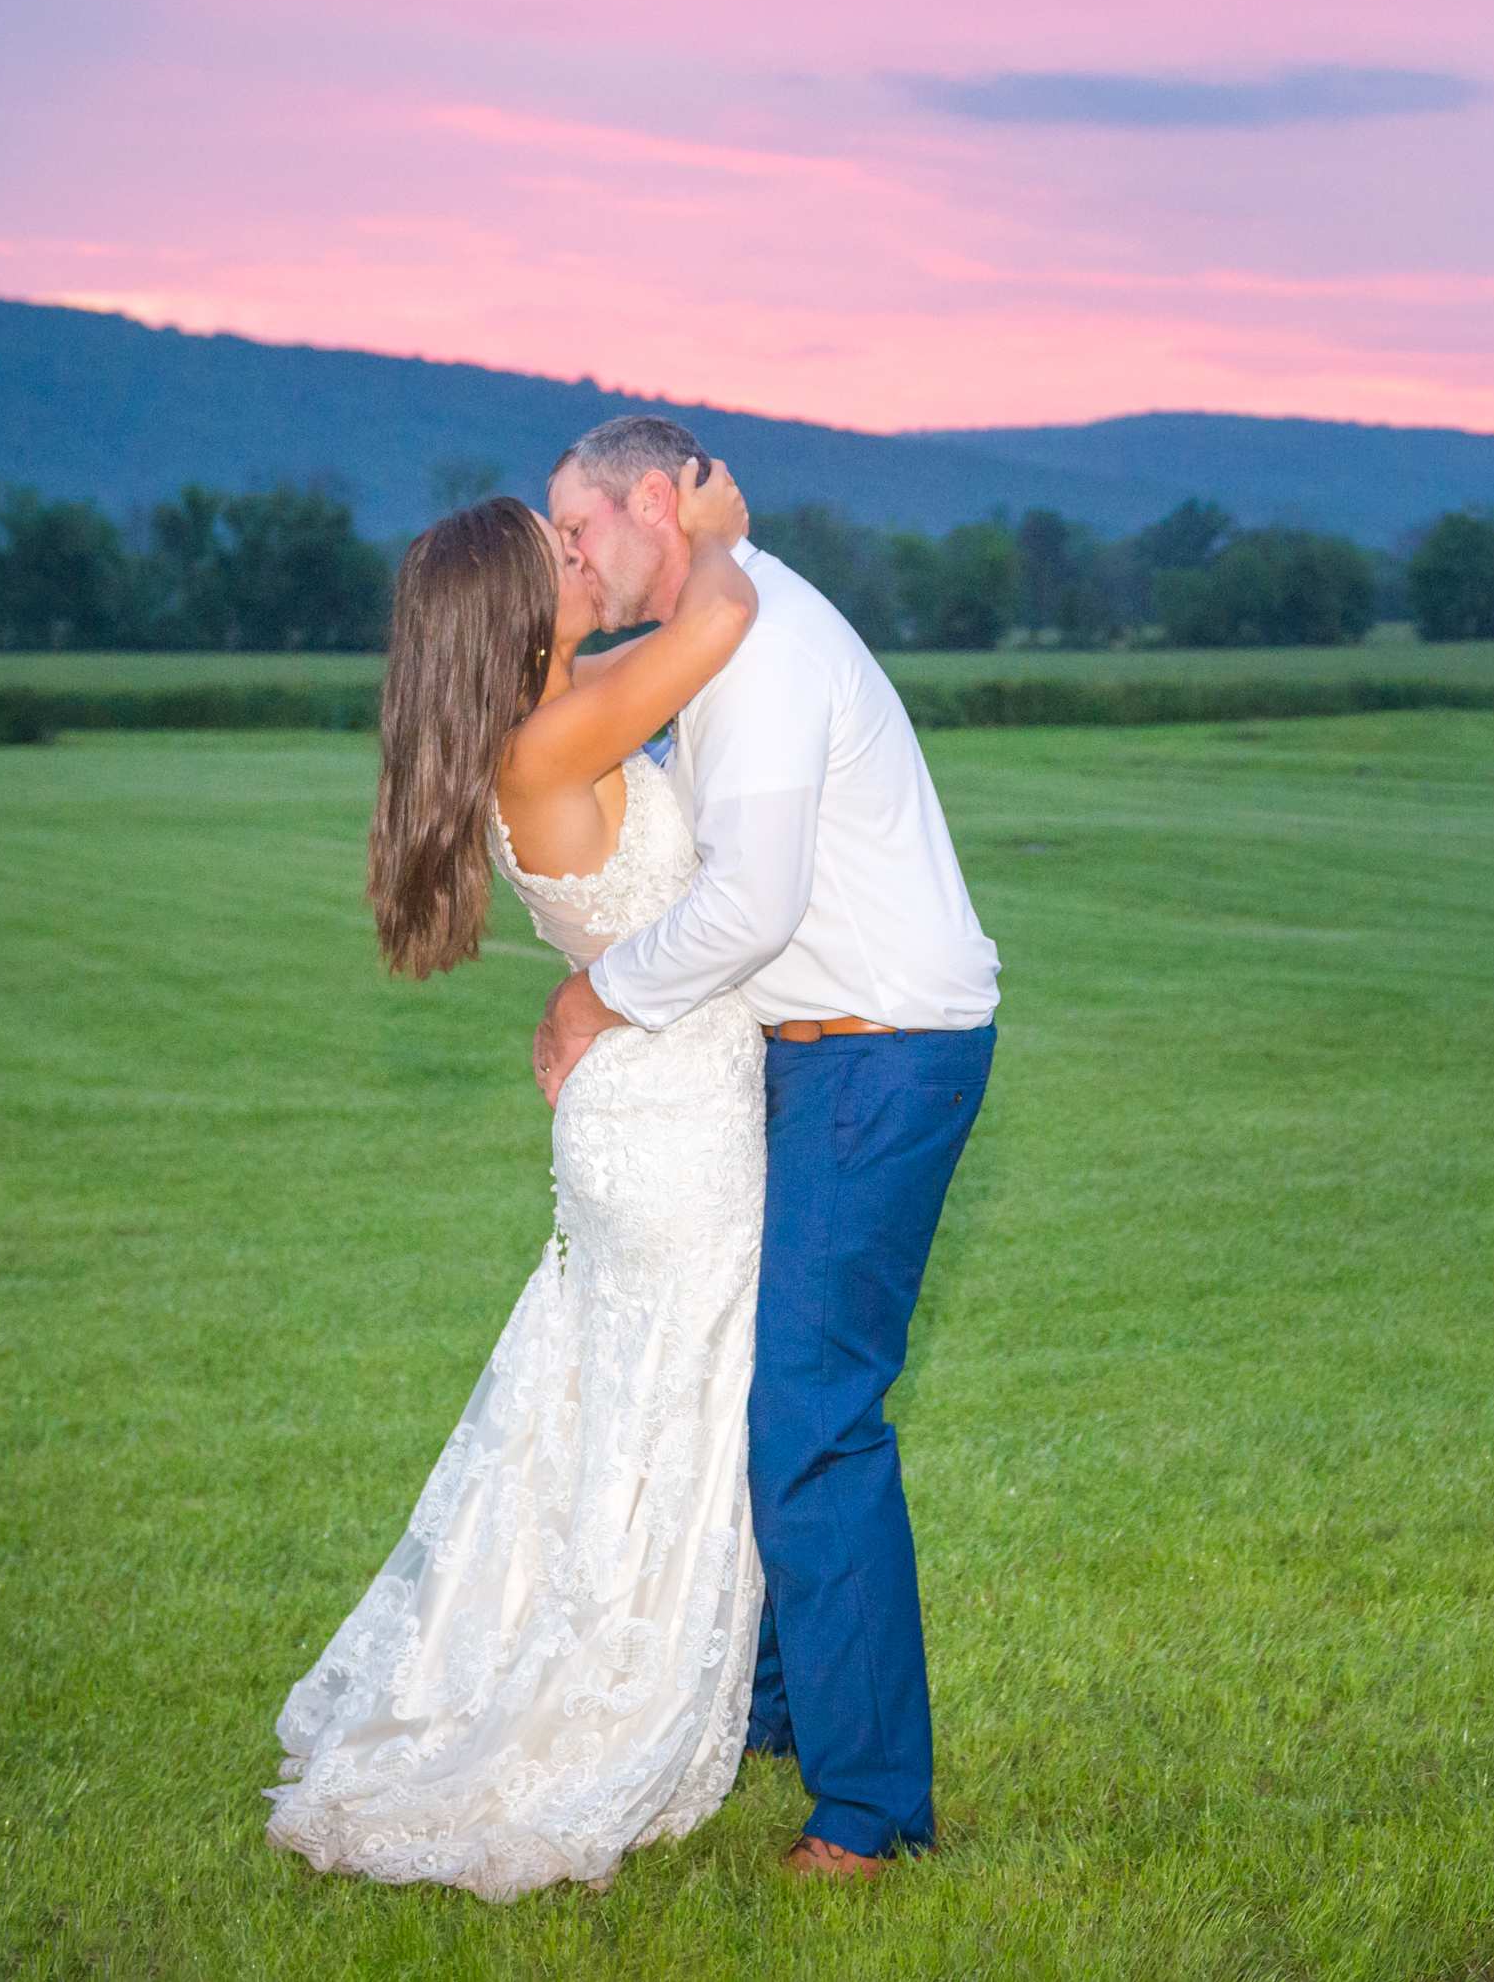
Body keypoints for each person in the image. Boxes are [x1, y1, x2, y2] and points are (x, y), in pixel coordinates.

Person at [264, 460, 770, 1903]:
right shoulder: (550, 741)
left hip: (646, 1105)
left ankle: (623, 1665)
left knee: (621, 1407)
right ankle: (596, 1708)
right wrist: (711, 527)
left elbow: (650, 654)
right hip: (668, 1124)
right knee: (663, 1413)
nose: (580, 554)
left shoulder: (552, 716)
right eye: (559, 548)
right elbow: (718, 620)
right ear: (517, 611)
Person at [533, 414, 1001, 1878]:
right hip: (811, 1054)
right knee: (764, 1391)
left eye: (578, 527)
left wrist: (597, 994)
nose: (570, 555)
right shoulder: (721, 630)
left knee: (813, 1414)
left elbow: (751, 906)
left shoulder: (770, 647)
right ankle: (776, 1711)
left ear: (652, 501)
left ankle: (871, 1811)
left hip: (880, 1051)